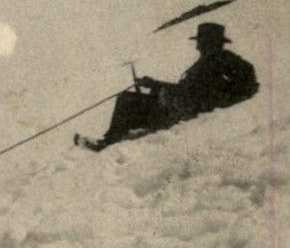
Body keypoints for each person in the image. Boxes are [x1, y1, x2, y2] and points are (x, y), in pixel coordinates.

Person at [77, 22, 258, 151]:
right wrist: (154, 84)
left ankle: (107, 143)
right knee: (132, 99)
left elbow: (247, 78)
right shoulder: (210, 60)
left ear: (210, 42)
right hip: (180, 105)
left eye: (200, 41)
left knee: (128, 100)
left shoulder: (220, 60)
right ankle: (110, 139)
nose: (197, 46)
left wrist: (230, 98)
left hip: (181, 111)